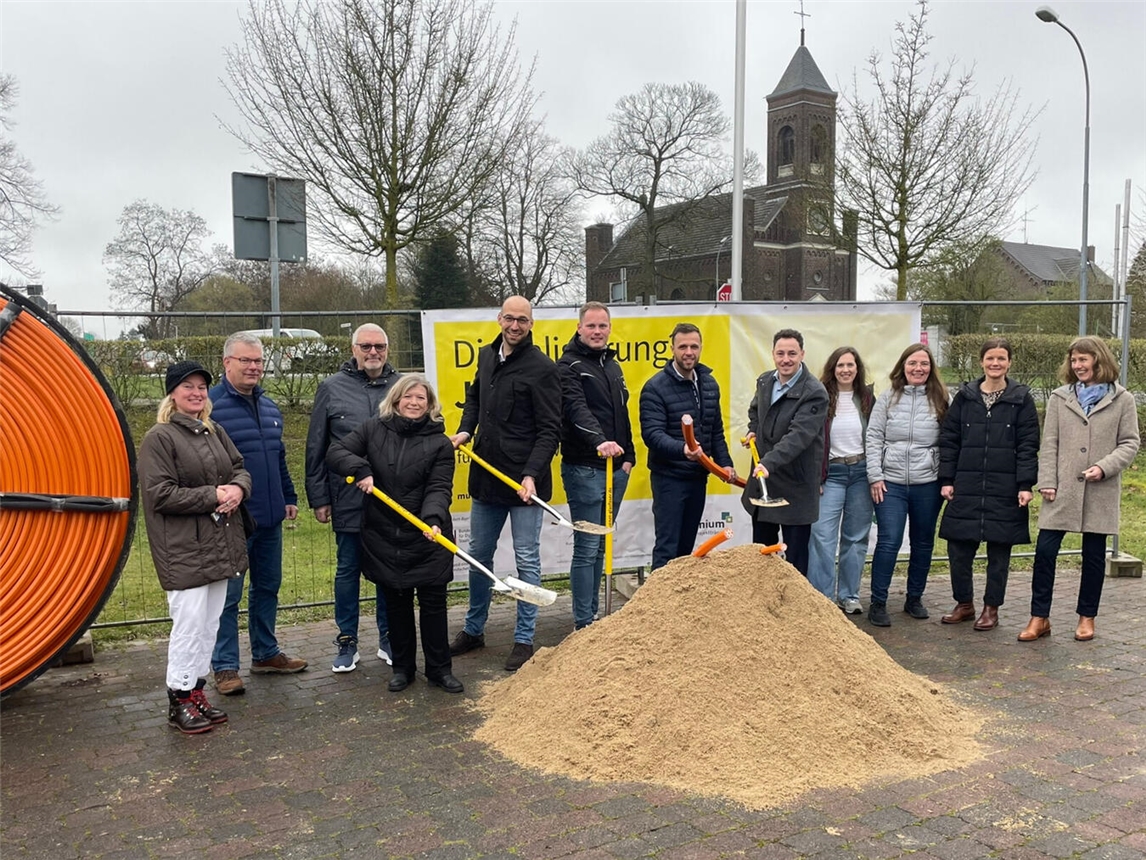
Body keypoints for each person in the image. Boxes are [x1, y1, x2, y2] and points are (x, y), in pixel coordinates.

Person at [326, 375, 463, 693]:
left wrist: (432, 519)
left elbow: (439, 487)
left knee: (433, 606)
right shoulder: (373, 430)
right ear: (396, 399)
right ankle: (403, 668)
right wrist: (360, 469)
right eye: (409, 396)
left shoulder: (440, 443)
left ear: (430, 405)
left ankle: (440, 670)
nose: (414, 403)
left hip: (428, 535)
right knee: (397, 605)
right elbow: (336, 453)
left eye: (422, 399)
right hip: (384, 534)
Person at [448, 296, 562, 672]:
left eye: (523, 321)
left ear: (531, 325)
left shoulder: (543, 368)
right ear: (499, 319)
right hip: (486, 480)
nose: (515, 326)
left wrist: (531, 474)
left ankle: (524, 639)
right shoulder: (485, 356)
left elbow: (549, 430)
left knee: (527, 559)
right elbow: (473, 400)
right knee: (479, 556)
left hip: (524, 486)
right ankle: (473, 629)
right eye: (509, 319)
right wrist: (466, 430)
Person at [138, 361, 251, 733]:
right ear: (172, 393)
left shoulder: (213, 430)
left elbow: (239, 467)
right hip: (184, 549)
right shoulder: (160, 438)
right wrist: (213, 495)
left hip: (220, 544)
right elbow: (159, 494)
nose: (196, 393)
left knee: (208, 625)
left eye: (202, 387)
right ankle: (179, 699)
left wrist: (238, 489)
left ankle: (197, 690)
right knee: (187, 626)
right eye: (187, 386)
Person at [1020, 336, 1140, 643]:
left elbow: (1130, 442)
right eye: (1074, 361)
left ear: (1098, 361)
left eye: (1083, 360)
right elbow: (1050, 443)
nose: (1078, 366)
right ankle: (1039, 617)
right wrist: (1046, 479)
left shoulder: (1122, 399)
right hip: (1061, 489)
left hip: (1100, 489)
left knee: (1094, 556)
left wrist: (1105, 466)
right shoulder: (1060, 398)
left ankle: (1087, 617)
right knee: (1045, 551)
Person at [209, 332, 307, 696]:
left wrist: (289, 495)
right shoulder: (210, 407)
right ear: (227, 363)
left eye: (258, 361)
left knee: (267, 587)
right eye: (245, 360)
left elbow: (278, 457)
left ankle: (265, 654)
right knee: (228, 596)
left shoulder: (269, 407)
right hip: (231, 521)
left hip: (270, 517)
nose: (253, 367)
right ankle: (225, 666)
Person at [305, 323, 400, 673]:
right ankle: (347, 640)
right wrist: (318, 497)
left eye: (380, 346)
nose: (373, 352)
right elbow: (317, 446)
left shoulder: (400, 386)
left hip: (392, 499)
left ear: (388, 349)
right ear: (354, 349)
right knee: (348, 570)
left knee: (389, 571)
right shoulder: (331, 388)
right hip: (346, 496)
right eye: (366, 346)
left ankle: (389, 636)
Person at [938, 337, 1040, 631]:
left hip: (1004, 488)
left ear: (1009, 362)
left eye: (1001, 358)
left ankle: (991, 608)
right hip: (966, 485)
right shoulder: (965, 396)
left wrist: (1025, 485)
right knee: (958, 548)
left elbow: (1028, 444)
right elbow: (950, 439)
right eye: (990, 358)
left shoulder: (1021, 398)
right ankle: (964, 604)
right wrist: (947, 479)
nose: (995, 363)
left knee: (999, 552)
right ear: (981, 361)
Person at [558, 301, 635, 629]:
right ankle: (583, 622)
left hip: (617, 470)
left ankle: (597, 621)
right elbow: (576, 410)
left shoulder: (611, 365)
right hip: (585, 468)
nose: (597, 331)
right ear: (579, 328)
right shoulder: (568, 366)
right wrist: (598, 442)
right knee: (587, 548)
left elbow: (622, 412)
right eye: (591, 326)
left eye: (602, 326)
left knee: (603, 546)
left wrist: (629, 455)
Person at [639, 322, 735, 572]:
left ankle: (680, 606)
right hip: (669, 479)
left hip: (697, 478)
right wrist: (684, 449)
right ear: (672, 349)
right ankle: (659, 606)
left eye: (694, 346)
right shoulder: (655, 387)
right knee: (667, 548)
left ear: (701, 347)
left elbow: (715, 431)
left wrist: (725, 464)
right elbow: (652, 435)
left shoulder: (709, 384)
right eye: (683, 346)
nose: (689, 352)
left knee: (686, 549)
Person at [865, 343, 948, 627]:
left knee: (923, 542)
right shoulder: (888, 398)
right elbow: (874, 437)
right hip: (891, 484)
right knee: (889, 541)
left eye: (924, 364)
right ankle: (878, 602)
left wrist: (945, 478)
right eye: (912, 363)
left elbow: (949, 441)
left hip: (928, 483)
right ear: (903, 366)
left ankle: (914, 598)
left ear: (930, 369)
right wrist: (875, 475)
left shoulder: (941, 399)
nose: (918, 369)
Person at [741, 329, 828, 577]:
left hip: (796, 487)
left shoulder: (815, 392)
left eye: (792, 353)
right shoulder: (765, 381)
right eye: (780, 353)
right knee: (763, 557)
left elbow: (798, 436)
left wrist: (768, 463)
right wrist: (752, 432)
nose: (785, 359)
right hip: (764, 487)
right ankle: (765, 608)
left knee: (795, 562)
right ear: (773, 354)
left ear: (802, 354)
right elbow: (755, 412)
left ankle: (794, 611)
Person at [807, 346, 875, 612]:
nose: (845, 370)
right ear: (832, 369)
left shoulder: (867, 398)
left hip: (860, 473)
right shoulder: (820, 396)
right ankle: (822, 599)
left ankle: (850, 596)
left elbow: (876, 436)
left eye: (850, 365)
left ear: (857, 369)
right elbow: (812, 440)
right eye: (840, 365)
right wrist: (816, 477)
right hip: (831, 475)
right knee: (822, 536)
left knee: (856, 538)